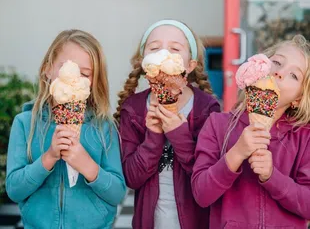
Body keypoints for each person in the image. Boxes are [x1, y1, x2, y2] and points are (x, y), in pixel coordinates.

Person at [6, 29, 126, 229]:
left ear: (93, 83)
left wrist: (87, 165)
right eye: (66, 69)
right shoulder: (25, 123)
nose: (74, 79)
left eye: (85, 74)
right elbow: (14, 190)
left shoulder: (104, 127)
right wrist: (48, 158)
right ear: (48, 69)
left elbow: (117, 193)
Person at [192, 35, 310, 229]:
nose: (280, 72)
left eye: (294, 75)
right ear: (259, 68)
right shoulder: (218, 125)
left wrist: (272, 177)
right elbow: (201, 194)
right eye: (277, 62)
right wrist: (236, 154)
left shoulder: (304, 137)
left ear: (298, 98)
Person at [115, 20, 220, 229]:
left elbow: (208, 177)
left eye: (174, 48)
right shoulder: (133, 110)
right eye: (155, 48)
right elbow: (132, 178)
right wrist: (153, 135)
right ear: (143, 63)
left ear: (190, 65)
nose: (164, 53)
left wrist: (179, 134)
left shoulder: (206, 109)